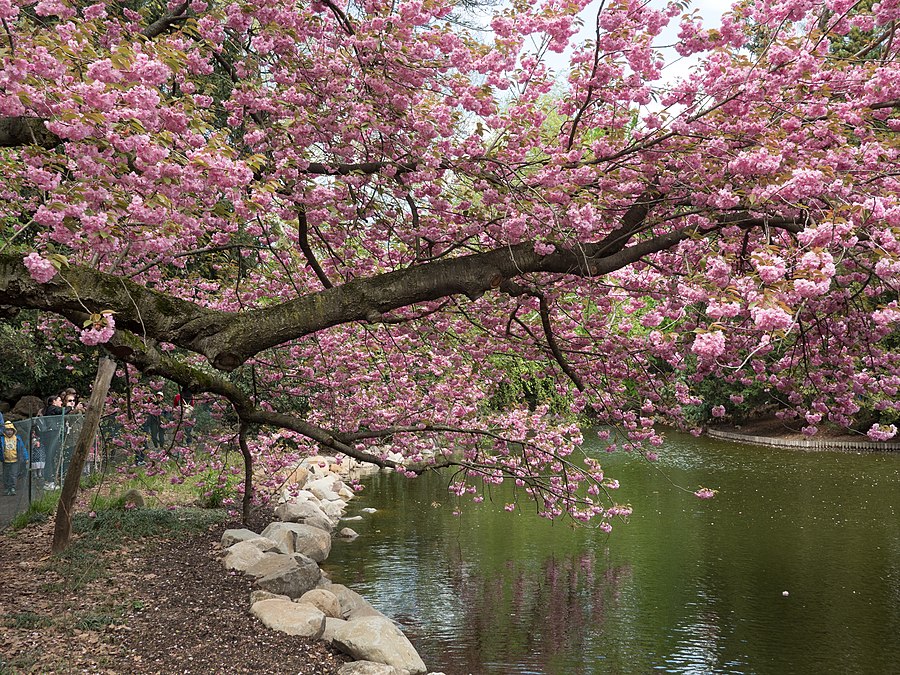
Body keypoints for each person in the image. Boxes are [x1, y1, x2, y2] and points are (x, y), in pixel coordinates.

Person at [39, 394, 65, 488]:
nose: (61, 402)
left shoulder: (49, 409)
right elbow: (63, 411)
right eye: (59, 400)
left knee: (50, 457)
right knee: (49, 457)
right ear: (54, 401)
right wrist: (71, 407)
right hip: (51, 435)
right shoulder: (52, 408)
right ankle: (48, 481)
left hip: (49, 436)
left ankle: (50, 480)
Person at [2, 421, 28, 496]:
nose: (9, 432)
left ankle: (12, 487)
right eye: (7, 430)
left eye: (11, 430)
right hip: (5, 460)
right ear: (4, 431)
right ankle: (7, 488)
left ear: (13, 430)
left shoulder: (17, 439)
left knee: (13, 474)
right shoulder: (2, 439)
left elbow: (23, 449)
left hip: (15, 460)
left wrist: (26, 458)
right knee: (6, 475)